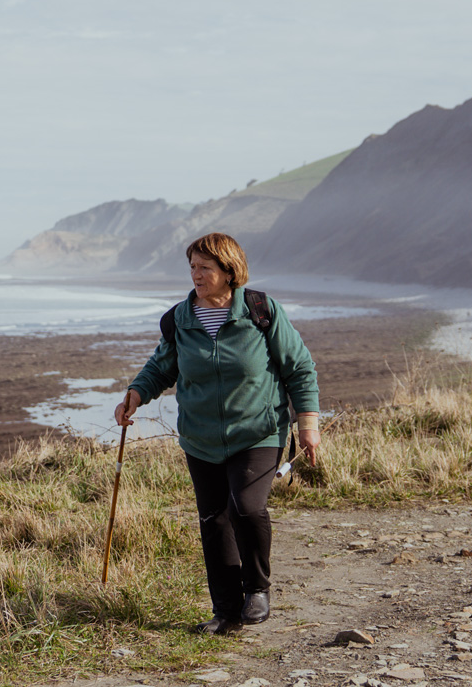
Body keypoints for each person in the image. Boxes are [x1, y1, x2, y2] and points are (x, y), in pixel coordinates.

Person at [114, 232, 320, 635]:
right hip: (201, 438)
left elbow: (299, 367)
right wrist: (134, 396)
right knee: (213, 519)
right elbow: (160, 368)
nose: (196, 274)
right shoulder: (180, 319)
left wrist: (308, 424)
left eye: (205, 267)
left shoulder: (261, 311)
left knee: (246, 506)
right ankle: (225, 613)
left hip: (259, 432)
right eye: (192, 266)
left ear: (229, 271)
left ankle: (257, 588)